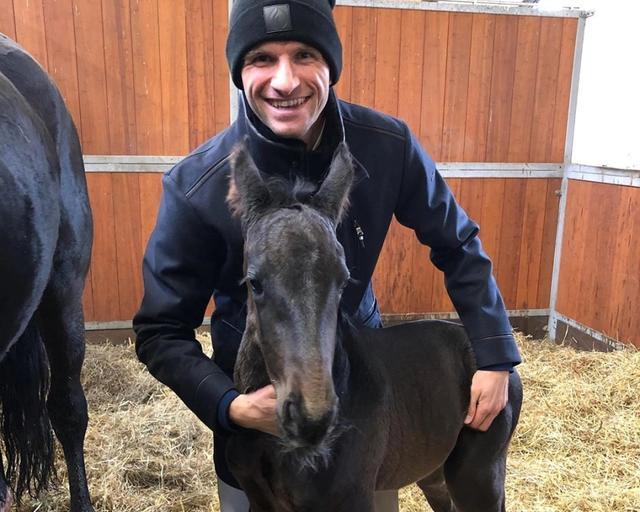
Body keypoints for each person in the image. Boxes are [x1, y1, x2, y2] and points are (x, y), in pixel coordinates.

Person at [133, 0, 521, 510]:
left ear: (330, 64)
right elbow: (161, 330)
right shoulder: (196, 186)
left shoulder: (386, 145)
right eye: (262, 59)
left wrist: (494, 354)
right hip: (251, 391)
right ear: (240, 71)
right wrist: (228, 405)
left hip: (365, 384)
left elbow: (457, 242)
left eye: (304, 55)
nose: (285, 81)